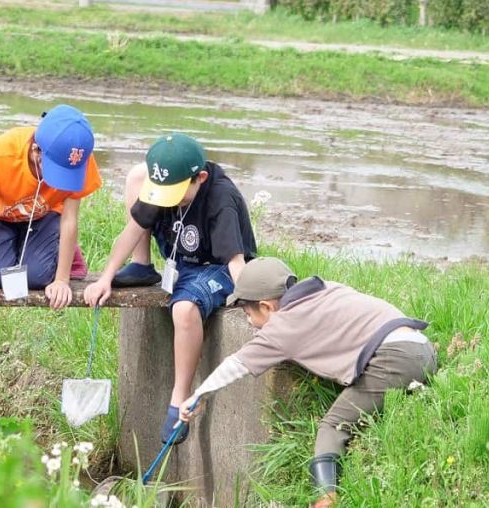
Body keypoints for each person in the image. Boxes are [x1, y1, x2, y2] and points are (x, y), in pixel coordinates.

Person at [179, 257, 438, 508]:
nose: (248, 321)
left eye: (247, 312)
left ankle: (326, 499)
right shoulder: (324, 290)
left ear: (267, 307)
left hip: (398, 360)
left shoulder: (283, 326)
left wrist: (199, 395)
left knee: (332, 427)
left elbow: (236, 365)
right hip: (421, 347)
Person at [83, 132, 256, 442]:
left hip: (213, 267)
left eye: (176, 193)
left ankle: (179, 398)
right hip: (179, 259)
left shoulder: (220, 198)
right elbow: (131, 230)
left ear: (200, 177)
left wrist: (251, 301)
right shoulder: (164, 188)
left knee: (185, 308)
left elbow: (236, 262)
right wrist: (105, 277)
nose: (166, 199)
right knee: (136, 176)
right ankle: (142, 266)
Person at [0, 104, 101, 310]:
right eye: (56, 170)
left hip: (45, 215)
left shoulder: (78, 158)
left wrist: (61, 280)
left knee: (36, 277)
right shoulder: (1, 153)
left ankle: (64, 253)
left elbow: (70, 219)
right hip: (1, 217)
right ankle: (29, 246)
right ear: (36, 151)